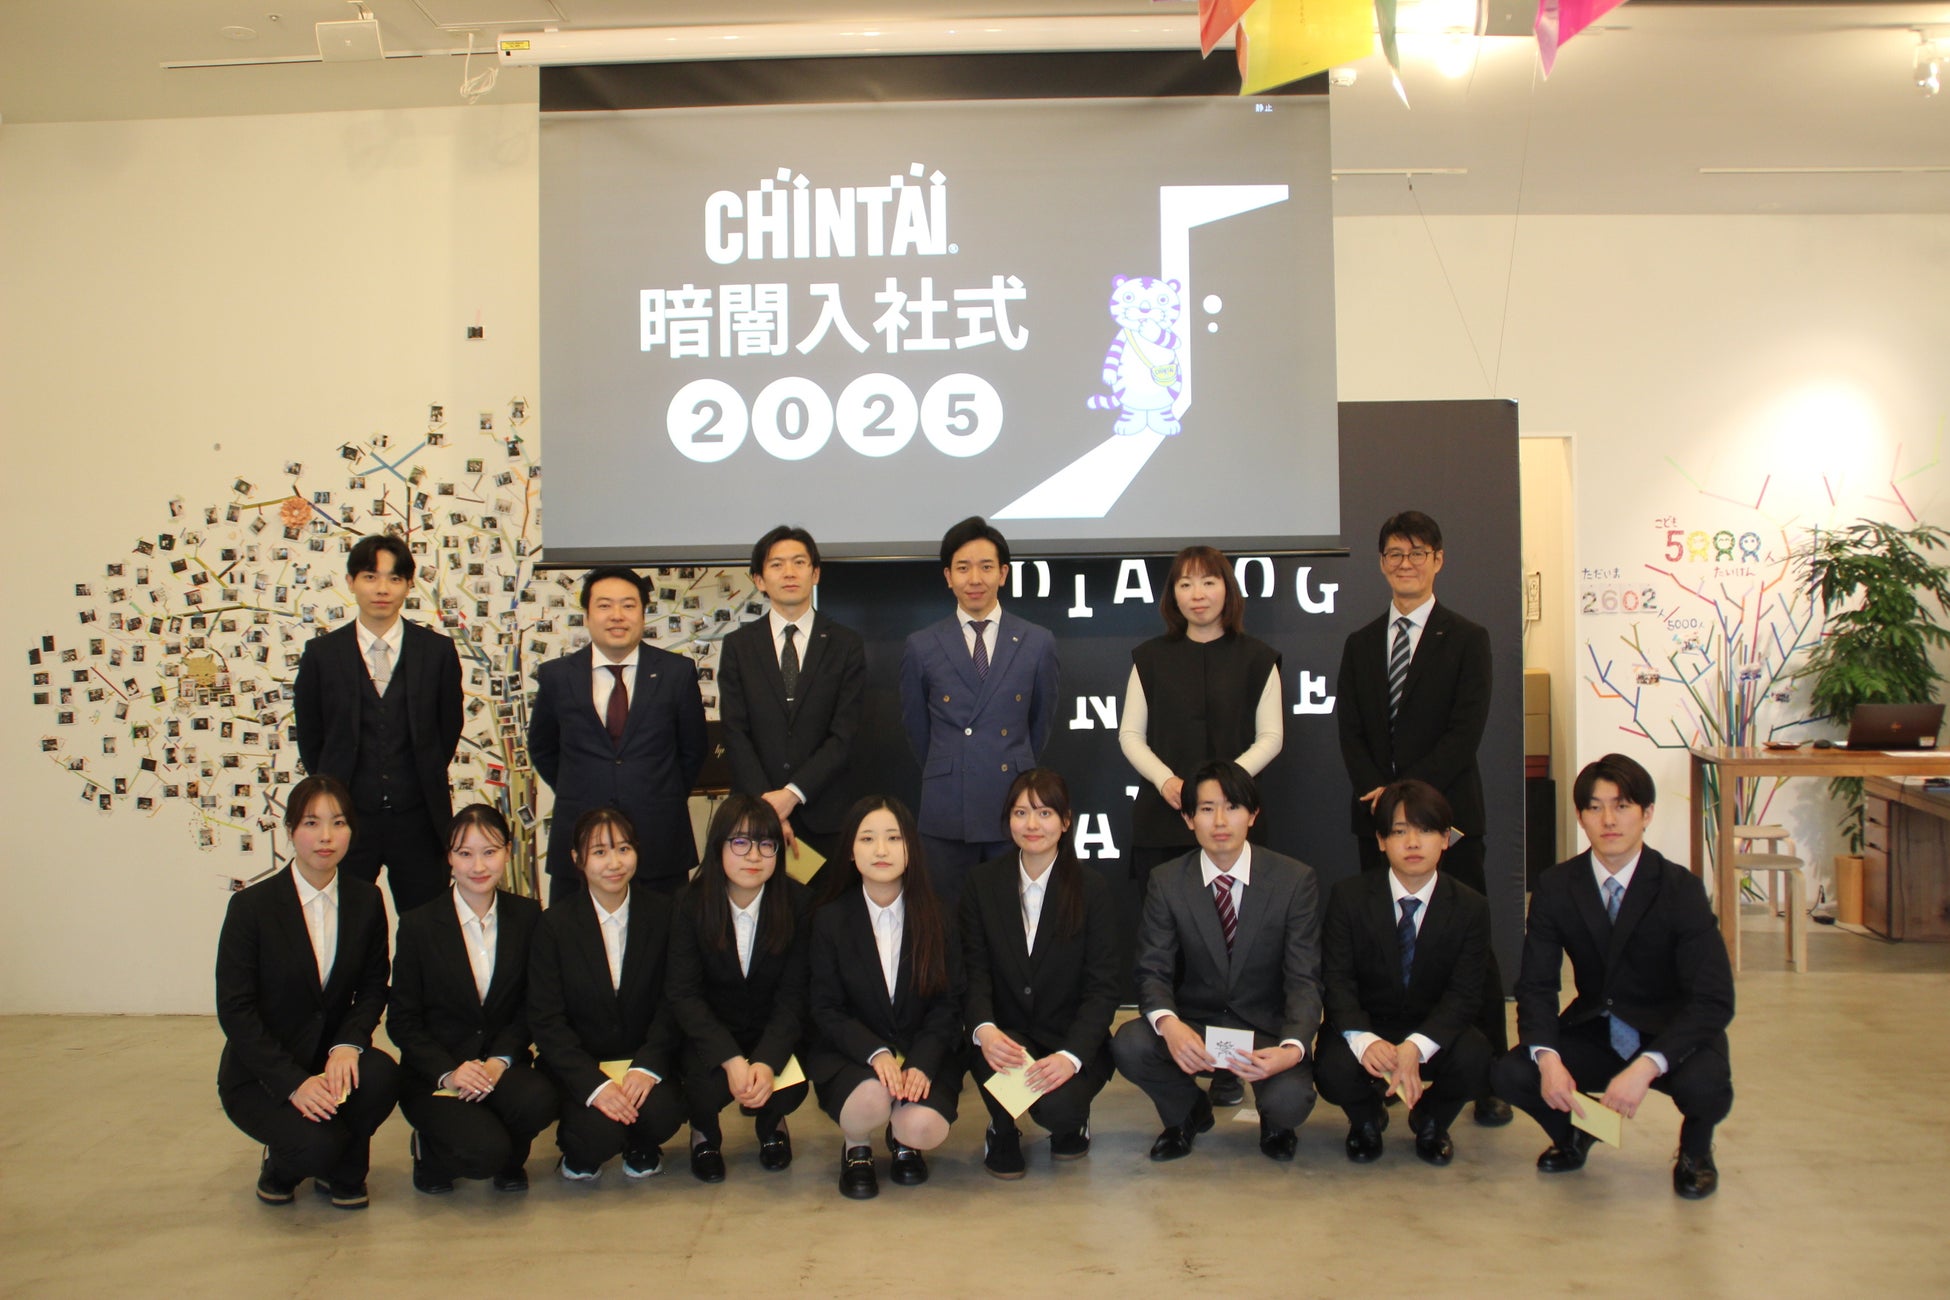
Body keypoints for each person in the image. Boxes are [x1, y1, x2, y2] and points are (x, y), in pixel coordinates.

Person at [1334, 510, 1510, 1126]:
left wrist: (1407, 799)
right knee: (1381, 944)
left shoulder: (1467, 638)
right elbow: (1350, 731)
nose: (1404, 563)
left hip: (1450, 820)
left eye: (1417, 552)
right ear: (1381, 563)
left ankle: (1488, 1075)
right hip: (1376, 819)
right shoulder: (1360, 643)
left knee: (1470, 947)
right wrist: (1383, 804)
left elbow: (1465, 732)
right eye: (1394, 553)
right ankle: (1381, 1066)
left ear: (1438, 560)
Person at [1493, 753, 1735, 1199]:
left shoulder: (1680, 888)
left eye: (1622, 806)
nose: (1608, 820)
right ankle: (1580, 1132)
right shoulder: (1556, 886)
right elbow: (1537, 984)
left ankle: (1695, 1152)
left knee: (1707, 1085)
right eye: (1595, 807)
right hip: (1597, 1028)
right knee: (1513, 1073)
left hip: (1667, 1030)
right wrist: (1548, 1058)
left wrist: (1648, 1065)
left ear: (1647, 813)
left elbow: (1714, 999)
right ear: (1580, 816)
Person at [1118, 543, 1283, 1103]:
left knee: (1234, 949)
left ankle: (1230, 1066)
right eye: (1185, 584)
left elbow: (1271, 737)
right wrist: (1170, 783)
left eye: (1208, 582)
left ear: (1227, 590)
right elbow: (1130, 735)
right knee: (1173, 948)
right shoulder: (1149, 657)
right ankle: (1178, 1059)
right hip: (1164, 818)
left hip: (1234, 823)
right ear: (1173, 595)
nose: (1197, 594)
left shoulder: (1258, 658)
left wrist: (1223, 793)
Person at [1111, 760, 1322, 1163]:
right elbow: (1152, 969)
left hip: (1265, 1028)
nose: (1220, 821)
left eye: (1233, 807)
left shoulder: (1294, 880)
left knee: (1290, 1101)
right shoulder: (1167, 880)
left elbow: (1304, 978)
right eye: (1207, 809)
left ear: (1253, 815)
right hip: (1197, 1026)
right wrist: (1170, 1025)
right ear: (1189, 819)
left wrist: (1292, 1047)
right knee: (1132, 1043)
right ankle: (1187, 1112)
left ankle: (1275, 1122)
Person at [216, 775, 399, 1209]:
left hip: (331, 1060)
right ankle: (284, 1167)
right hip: (264, 1073)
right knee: (317, 1147)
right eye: (311, 823)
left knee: (382, 1076)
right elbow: (236, 1009)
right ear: (290, 829)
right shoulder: (251, 907)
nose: (326, 836)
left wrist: (348, 1044)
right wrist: (293, 1084)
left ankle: (346, 1168)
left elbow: (374, 986)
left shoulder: (366, 900)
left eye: (338, 823)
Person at [1315, 780, 1493, 1167]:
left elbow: (1465, 995)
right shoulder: (1348, 897)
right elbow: (1336, 980)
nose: (1413, 843)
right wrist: (1365, 1040)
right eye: (1399, 831)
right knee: (1332, 1068)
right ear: (1381, 841)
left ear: (1445, 838)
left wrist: (1417, 1046)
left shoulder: (1470, 907)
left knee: (1476, 1057)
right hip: (1370, 1022)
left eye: (1425, 830)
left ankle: (1431, 1121)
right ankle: (1366, 1120)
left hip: (1431, 1026)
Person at [961, 769, 1119, 1179]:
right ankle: (1002, 1128)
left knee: (1058, 1110)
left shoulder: (1092, 888)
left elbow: (1103, 989)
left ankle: (1072, 1121)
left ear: (1065, 821)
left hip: (1067, 1039)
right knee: (996, 1054)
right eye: (1020, 813)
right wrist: (984, 1030)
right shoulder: (982, 883)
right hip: (1007, 1035)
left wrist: (1071, 1057)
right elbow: (974, 971)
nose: (1032, 824)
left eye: (1045, 813)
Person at [293, 533, 463, 915]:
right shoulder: (322, 654)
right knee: (346, 923)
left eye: (394, 578)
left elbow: (448, 728)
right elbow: (311, 735)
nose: (382, 589)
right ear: (351, 582)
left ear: (408, 585)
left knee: (427, 925)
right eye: (370, 577)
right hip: (346, 820)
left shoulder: (437, 652)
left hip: (418, 819)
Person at [388, 804, 554, 1194]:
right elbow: (403, 1021)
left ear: (508, 852)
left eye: (489, 852)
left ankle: (510, 1157)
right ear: (449, 857)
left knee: (541, 1100)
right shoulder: (418, 925)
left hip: (499, 1066)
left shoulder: (528, 916)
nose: (478, 866)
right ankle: (430, 1152)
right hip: (438, 1074)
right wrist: (449, 1071)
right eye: (465, 853)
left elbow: (533, 1005)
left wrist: (499, 1061)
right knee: (482, 1154)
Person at [806, 796, 965, 1200]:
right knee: (869, 1101)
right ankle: (856, 1146)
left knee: (923, 1127)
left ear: (911, 848)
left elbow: (948, 1003)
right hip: (852, 1054)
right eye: (867, 839)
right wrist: (875, 1053)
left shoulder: (938, 915)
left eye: (894, 838)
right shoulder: (829, 919)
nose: (881, 850)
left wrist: (922, 1063)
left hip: (921, 1049)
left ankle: (904, 1139)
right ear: (850, 851)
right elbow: (825, 1007)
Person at [898, 516, 1060, 908]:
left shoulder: (1037, 641)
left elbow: (1040, 724)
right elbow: (917, 730)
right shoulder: (922, 645)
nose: (975, 579)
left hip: (1014, 804)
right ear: (947, 576)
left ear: (1003, 574)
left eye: (986, 567)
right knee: (946, 920)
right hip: (947, 807)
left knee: (1012, 918)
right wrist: (951, 764)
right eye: (963, 568)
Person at [529, 566, 707, 900]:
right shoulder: (556, 676)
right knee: (574, 932)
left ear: (643, 613)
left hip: (659, 840)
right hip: (580, 840)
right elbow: (542, 748)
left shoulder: (677, 672)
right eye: (604, 605)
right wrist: (582, 787)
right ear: (586, 615)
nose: (617, 616)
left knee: (664, 930)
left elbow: (693, 750)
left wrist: (656, 793)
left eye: (628, 605)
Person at [527, 808, 686, 1182]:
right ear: (577, 859)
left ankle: (642, 1143)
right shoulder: (554, 924)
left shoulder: (665, 913)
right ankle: (582, 1148)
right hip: (584, 1065)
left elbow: (675, 998)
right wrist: (594, 1085)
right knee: (596, 1135)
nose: (614, 863)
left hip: (641, 1060)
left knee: (663, 1113)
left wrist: (647, 1066)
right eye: (599, 852)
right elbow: (546, 1019)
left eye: (623, 849)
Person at [667, 795, 815, 1182]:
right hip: (713, 1034)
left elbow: (795, 995)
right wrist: (731, 1060)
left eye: (766, 844)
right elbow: (684, 993)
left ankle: (772, 1125)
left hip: (769, 1031)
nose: (754, 856)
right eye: (740, 842)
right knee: (703, 1087)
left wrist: (765, 1061)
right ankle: (704, 1133)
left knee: (786, 1087)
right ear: (718, 846)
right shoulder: (690, 903)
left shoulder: (798, 902)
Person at [718, 525, 866, 869]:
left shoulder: (846, 644)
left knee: (824, 901)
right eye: (776, 564)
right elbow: (735, 731)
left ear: (815, 574)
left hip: (825, 814)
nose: (789, 572)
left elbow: (844, 734)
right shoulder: (739, 646)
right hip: (754, 815)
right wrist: (768, 806)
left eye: (799, 562)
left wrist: (793, 794)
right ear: (759, 579)